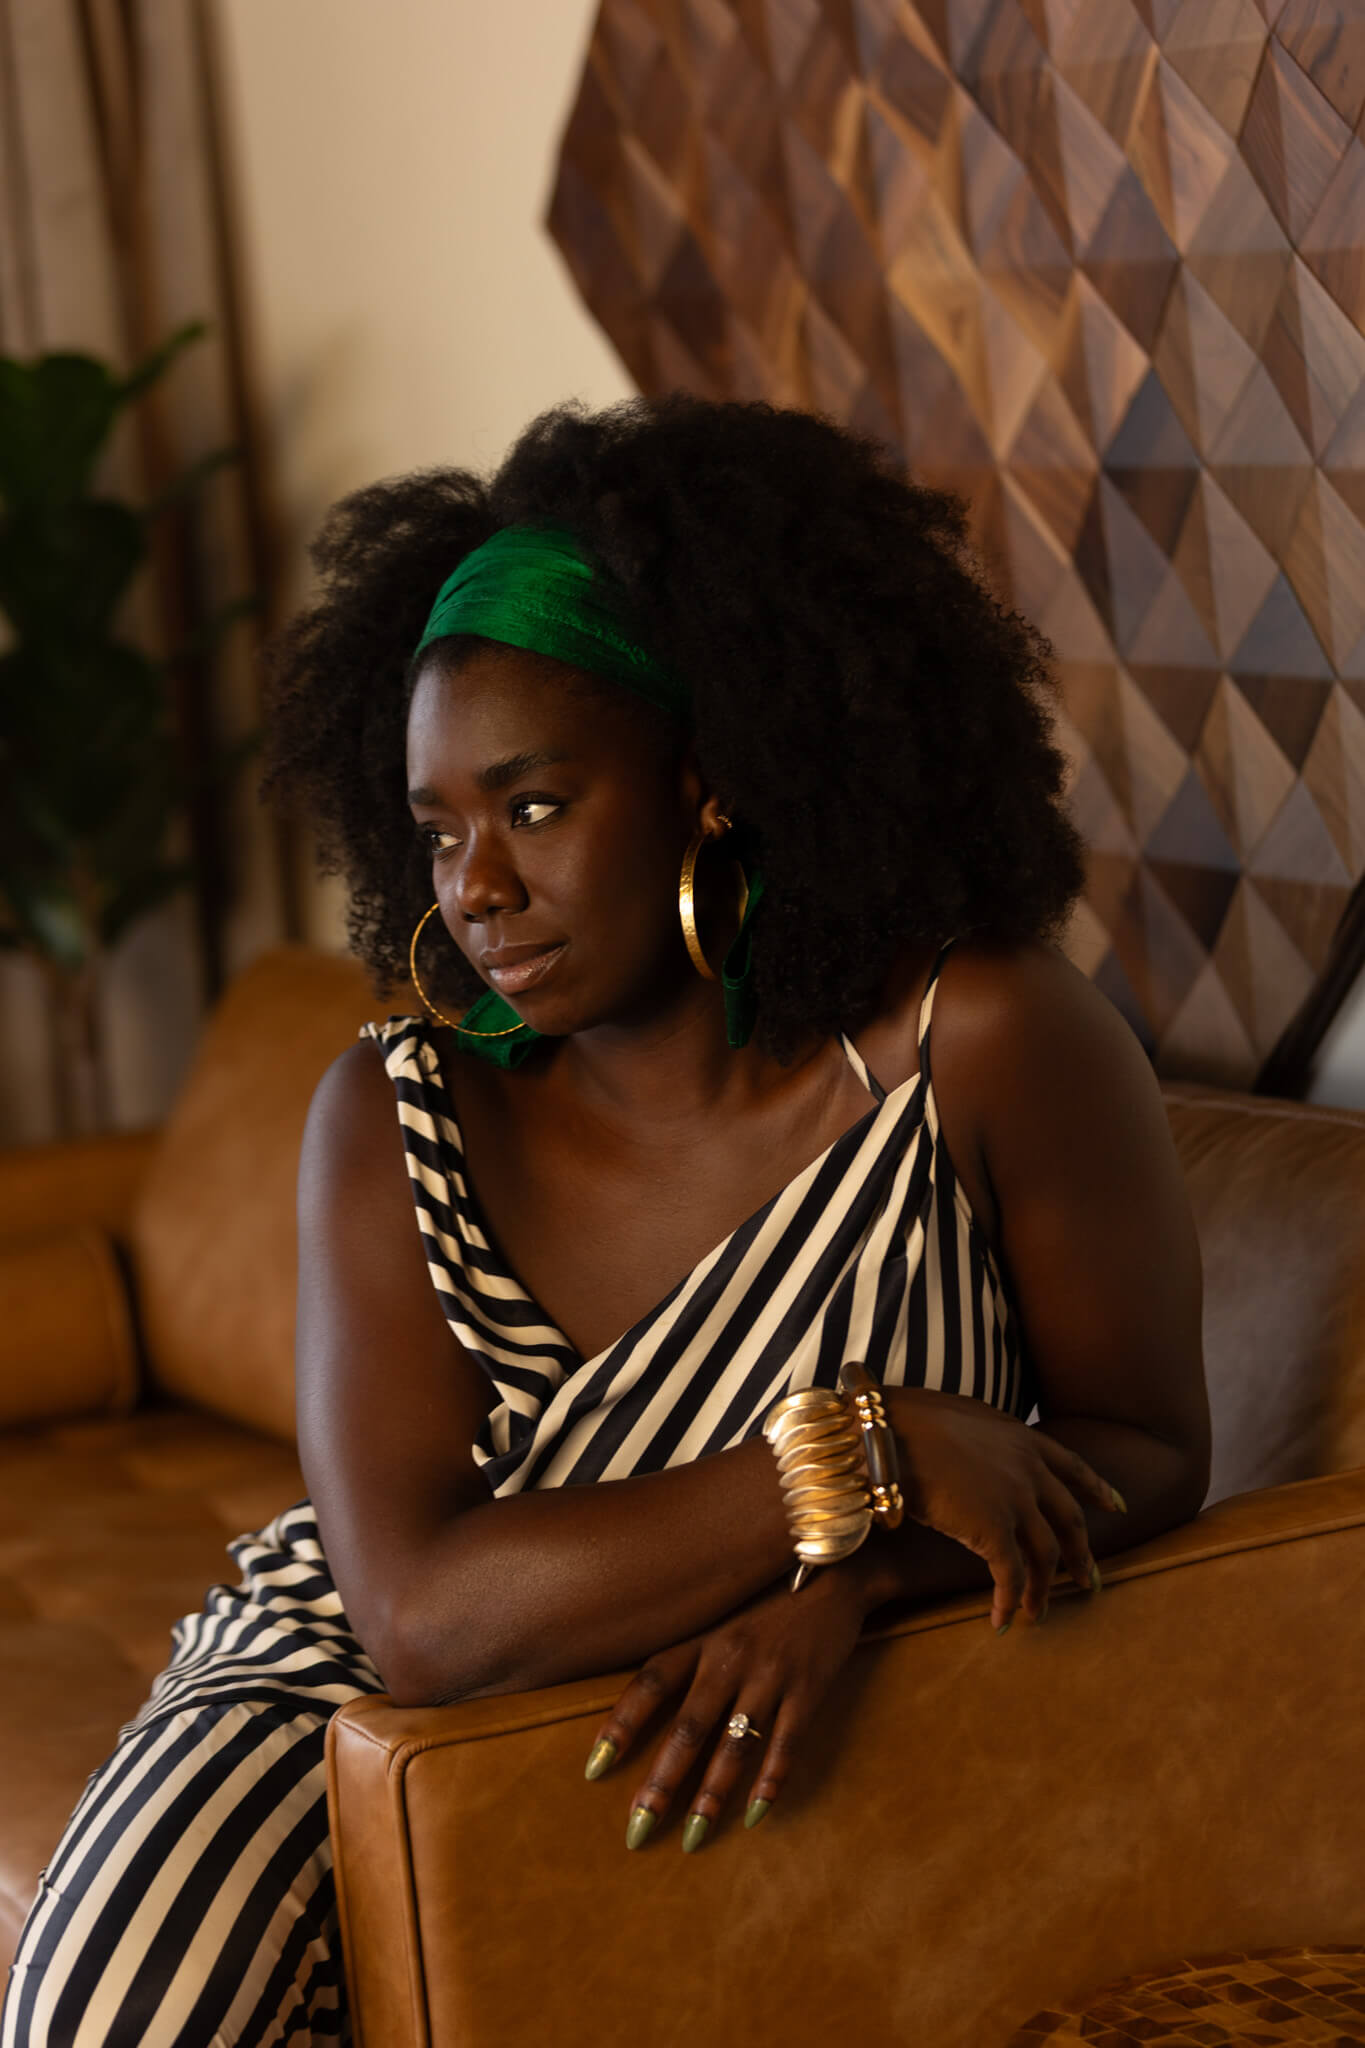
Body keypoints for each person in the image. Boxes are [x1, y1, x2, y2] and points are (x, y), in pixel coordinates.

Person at [2, 395, 1209, 2046]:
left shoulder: (981, 1044)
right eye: (437, 833)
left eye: (536, 806)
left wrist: (852, 1574)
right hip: (333, 1706)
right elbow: (418, 1619)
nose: (473, 887)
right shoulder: (396, 1114)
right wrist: (860, 1447)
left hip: (726, 1709)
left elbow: (1142, 1444)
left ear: (709, 780)